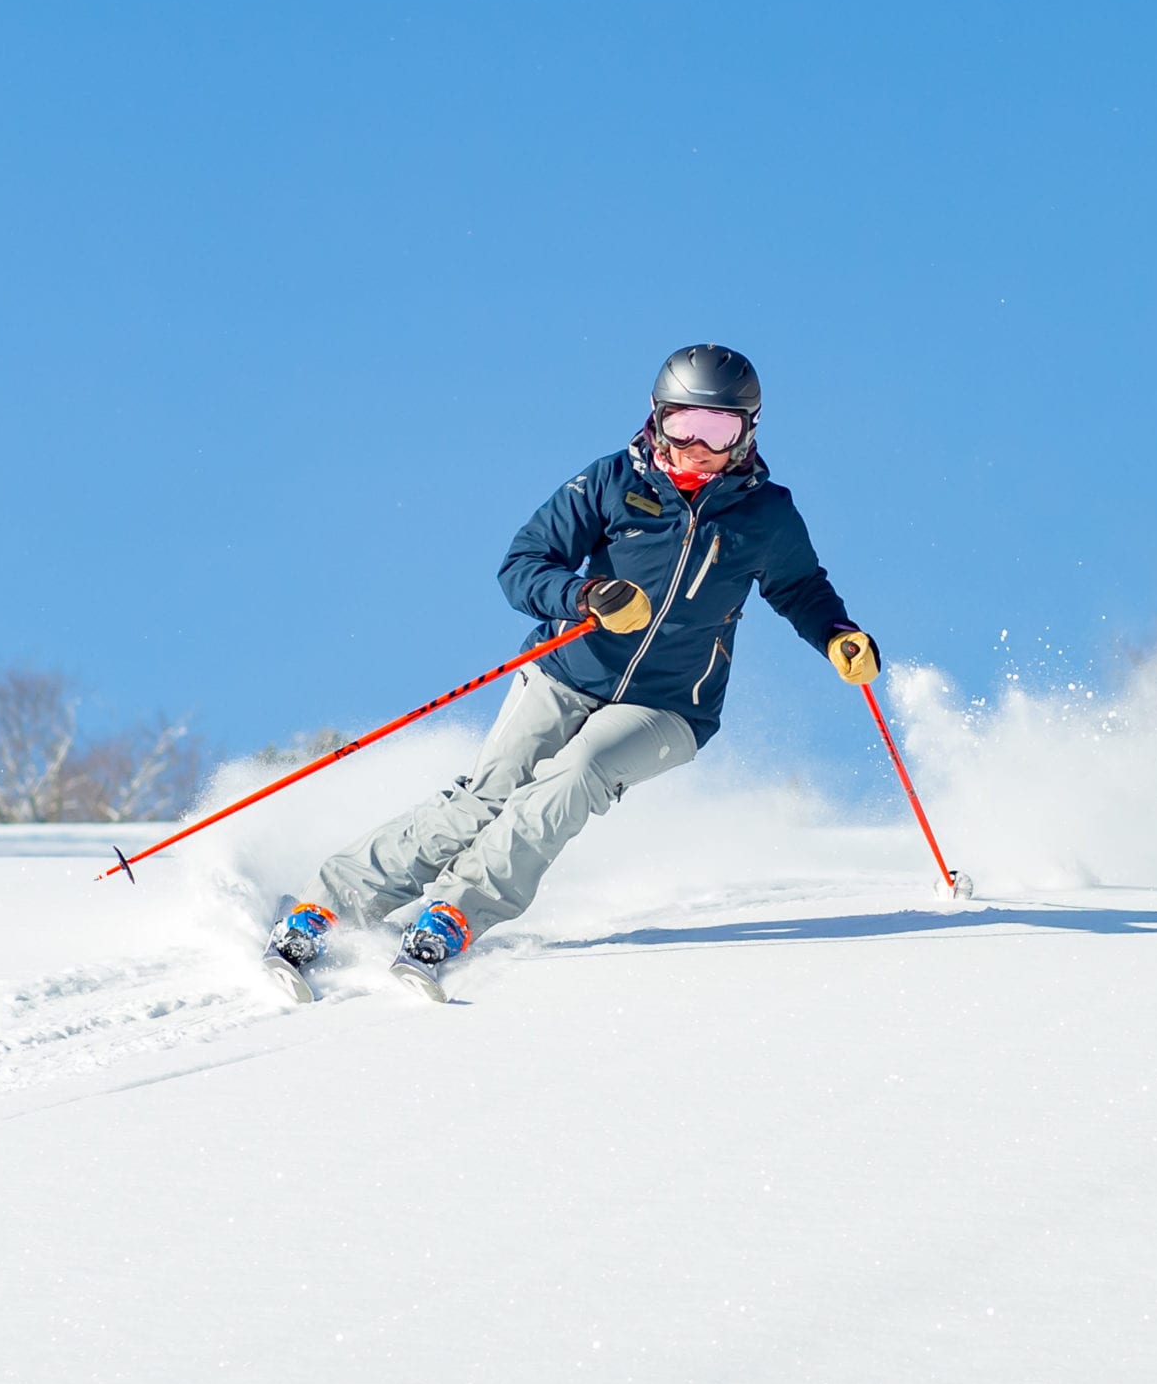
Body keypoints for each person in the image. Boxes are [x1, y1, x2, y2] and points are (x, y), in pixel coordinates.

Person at [264, 344, 879, 1001]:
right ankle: (327, 905)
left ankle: (454, 914)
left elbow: (801, 588)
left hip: (672, 706)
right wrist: (586, 598)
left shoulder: (767, 515)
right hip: (562, 671)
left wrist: (838, 636)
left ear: (748, 431)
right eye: (682, 424)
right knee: (485, 799)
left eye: (718, 430)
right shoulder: (613, 481)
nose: (696, 447)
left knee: (575, 775)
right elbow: (524, 563)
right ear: (655, 417)